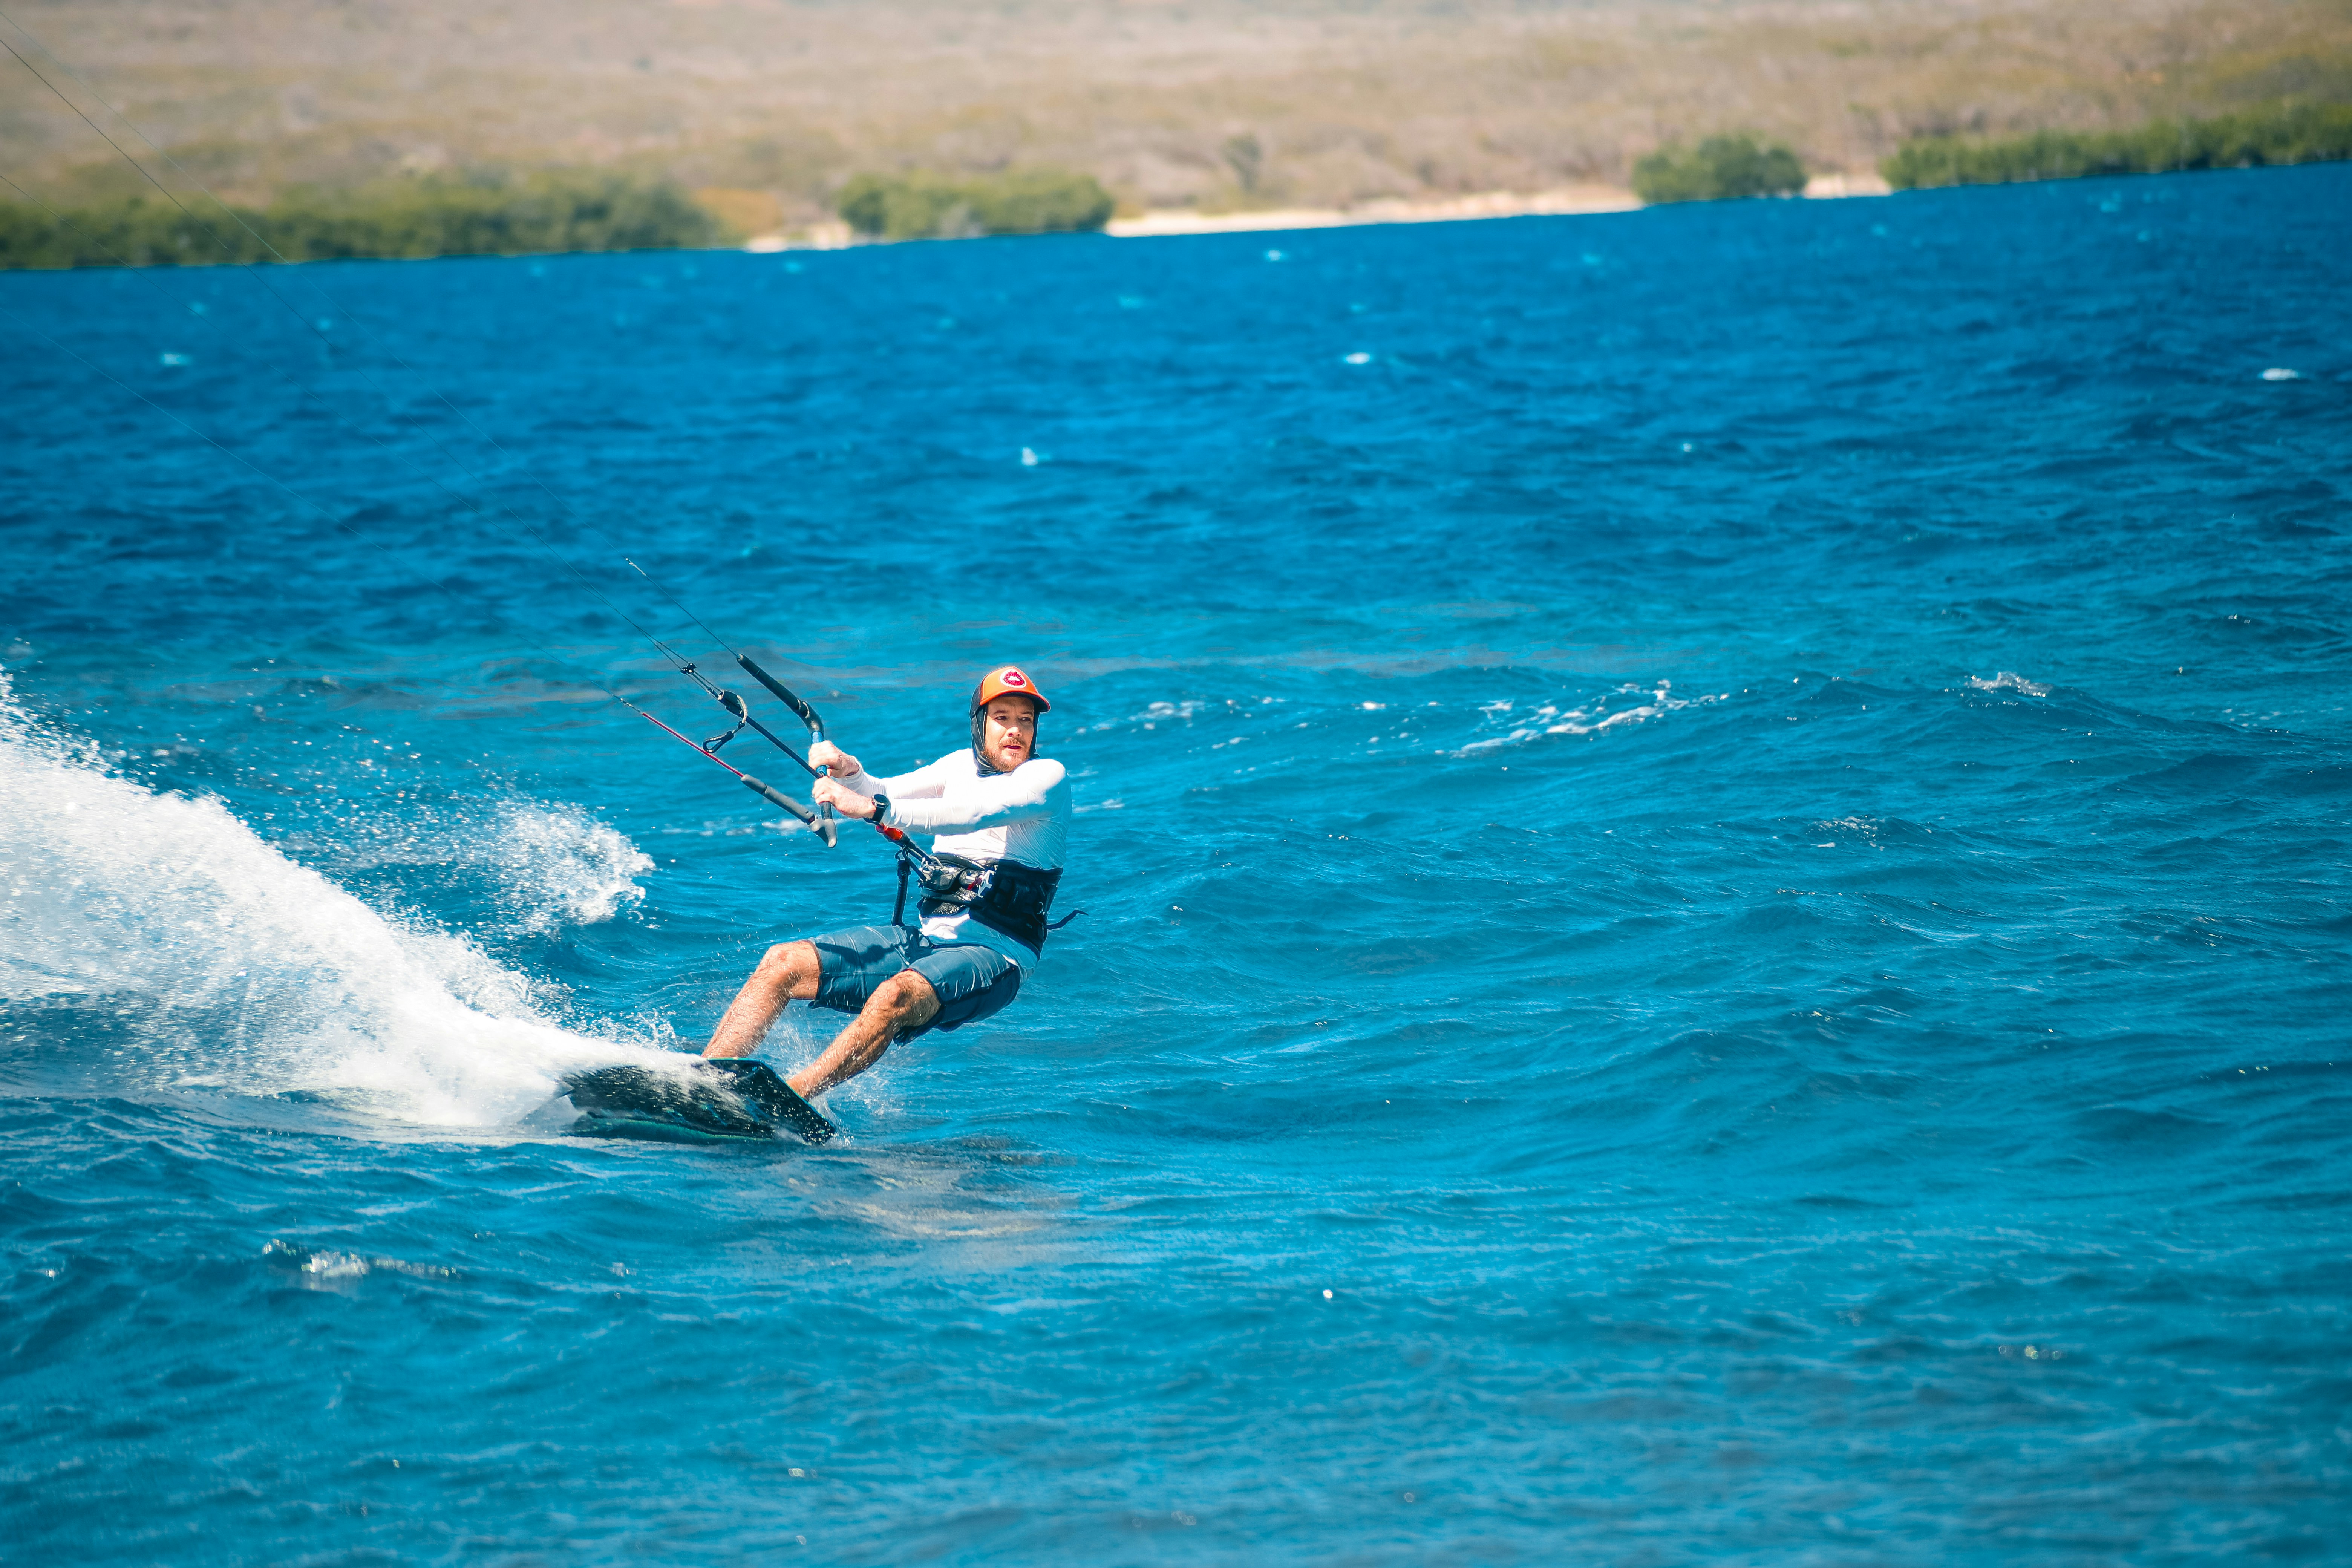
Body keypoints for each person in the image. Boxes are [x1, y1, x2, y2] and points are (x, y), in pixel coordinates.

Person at [701, 666, 1071, 1101]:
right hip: (930, 941)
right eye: (1003, 717)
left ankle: (788, 1100)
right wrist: (850, 769)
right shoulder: (958, 766)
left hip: (997, 956)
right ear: (980, 723)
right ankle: (709, 1083)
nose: (1015, 730)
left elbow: (974, 812)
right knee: (782, 963)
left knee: (894, 996)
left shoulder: (1046, 778)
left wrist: (873, 809)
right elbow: (883, 789)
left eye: (1025, 720)